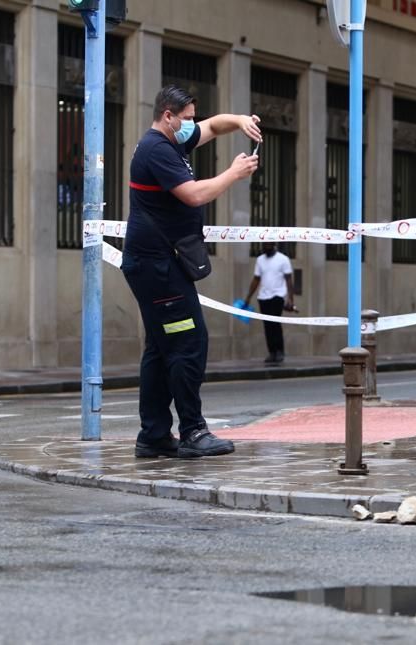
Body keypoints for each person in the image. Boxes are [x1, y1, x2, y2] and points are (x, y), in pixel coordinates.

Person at [122, 85, 260, 459]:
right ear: (167, 116)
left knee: (160, 348)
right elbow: (195, 195)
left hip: (158, 262)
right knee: (187, 343)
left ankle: (152, 435)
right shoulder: (156, 149)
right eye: (186, 119)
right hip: (157, 265)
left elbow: (213, 127)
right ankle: (193, 431)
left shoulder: (170, 142)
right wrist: (234, 173)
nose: (192, 125)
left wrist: (241, 122)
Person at [243, 242, 295, 364]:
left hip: (277, 296)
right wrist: (248, 297)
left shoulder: (283, 259)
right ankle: (271, 352)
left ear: (274, 245)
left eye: (268, 245)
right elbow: (256, 279)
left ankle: (279, 351)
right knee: (267, 326)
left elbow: (289, 279)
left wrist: (290, 299)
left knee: (275, 323)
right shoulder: (260, 260)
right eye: (264, 245)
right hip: (263, 297)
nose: (265, 247)